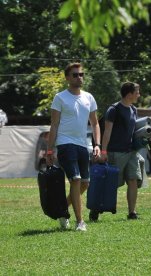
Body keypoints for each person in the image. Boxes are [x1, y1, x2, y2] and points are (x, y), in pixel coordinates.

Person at [46, 62, 101, 231]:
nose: (79, 77)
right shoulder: (60, 97)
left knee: (85, 183)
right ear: (67, 78)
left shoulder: (89, 97)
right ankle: (80, 222)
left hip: (82, 145)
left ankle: (62, 210)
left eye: (81, 74)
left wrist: (97, 145)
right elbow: (54, 125)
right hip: (65, 143)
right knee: (75, 180)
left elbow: (95, 123)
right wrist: (50, 149)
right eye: (76, 75)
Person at [97, 82, 143, 220]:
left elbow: (134, 131)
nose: (139, 95)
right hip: (115, 152)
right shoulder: (114, 109)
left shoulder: (134, 109)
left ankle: (132, 212)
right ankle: (96, 208)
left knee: (133, 179)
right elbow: (107, 132)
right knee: (111, 184)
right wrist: (103, 152)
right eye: (137, 92)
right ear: (129, 94)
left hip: (131, 152)